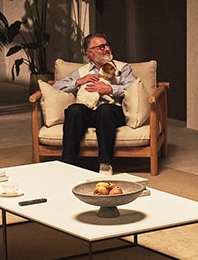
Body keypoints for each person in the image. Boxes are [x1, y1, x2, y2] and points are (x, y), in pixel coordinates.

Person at [53, 33, 136, 175]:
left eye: (107, 45)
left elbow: (133, 88)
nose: (106, 49)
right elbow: (56, 86)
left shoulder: (123, 68)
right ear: (90, 53)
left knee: (104, 110)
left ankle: (105, 163)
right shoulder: (82, 72)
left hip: (112, 112)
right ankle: (67, 162)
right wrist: (78, 82)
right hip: (88, 112)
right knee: (74, 110)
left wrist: (110, 89)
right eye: (101, 47)